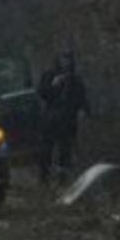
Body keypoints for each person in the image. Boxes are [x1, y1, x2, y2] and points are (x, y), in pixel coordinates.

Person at [37, 51, 92, 184]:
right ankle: (44, 176)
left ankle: (63, 178)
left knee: (65, 149)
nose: (65, 62)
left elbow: (82, 97)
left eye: (68, 59)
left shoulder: (75, 80)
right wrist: (52, 85)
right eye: (63, 59)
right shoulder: (49, 75)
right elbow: (42, 93)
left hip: (68, 119)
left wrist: (85, 112)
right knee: (46, 148)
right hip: (51, 118)